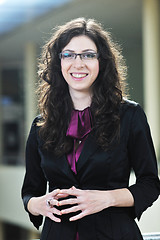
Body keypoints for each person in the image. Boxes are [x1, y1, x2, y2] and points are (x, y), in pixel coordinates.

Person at [21, 18, 160, 240]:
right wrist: (38, 205)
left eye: (88, 55)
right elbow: (29, 193)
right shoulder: (41, 125)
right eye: (68, 55)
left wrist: (106, 198)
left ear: (101, 62)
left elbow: (150, 184)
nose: (78, 63)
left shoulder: (129, 115)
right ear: (59, 62)